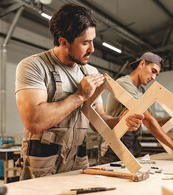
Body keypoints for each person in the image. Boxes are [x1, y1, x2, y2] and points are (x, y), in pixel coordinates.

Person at [15, 3, 143, 179]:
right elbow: (34, 121)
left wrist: (121, 121)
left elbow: (98, 121)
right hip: (42, 163)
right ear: (63, 42)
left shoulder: (91, 72)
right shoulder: (34, 66)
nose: (92, 49)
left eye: (92, 41)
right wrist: (80, 96)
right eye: (85, 43)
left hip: (79, 161)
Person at [99, 52, 173, 163]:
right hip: (114, 142)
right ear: (142, 64)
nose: (154, 77)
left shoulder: (141, 91)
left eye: (157, 74)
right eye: (153, 71)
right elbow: (148, 121)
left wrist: (172, 119)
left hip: (131, 141)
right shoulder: (124, 84)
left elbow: (152, 118)